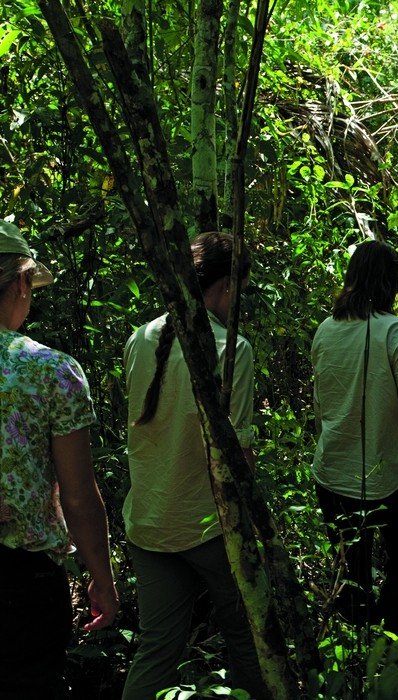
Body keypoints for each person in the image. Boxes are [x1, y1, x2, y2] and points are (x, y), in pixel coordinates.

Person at [121, 232, 267, 700]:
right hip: (210, 526)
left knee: (157, 649)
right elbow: (238, 453)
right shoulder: (232, 349)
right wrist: (254, 525)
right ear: (226, 285)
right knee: (248, 639)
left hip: (150, 522)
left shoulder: (140, 338)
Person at [0, 220, 119, 699]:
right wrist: (102, 580)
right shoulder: (49, 369)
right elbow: (77, 495)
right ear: (21, 282)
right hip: (19, 584)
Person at [312, 239, 398, 634]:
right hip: (388, 474)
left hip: (332, 471)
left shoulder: (325, 330)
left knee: (351, 569)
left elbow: (322, 405)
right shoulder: (396, 332)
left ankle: (362, 641)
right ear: (389, 283)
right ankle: (389, 635)